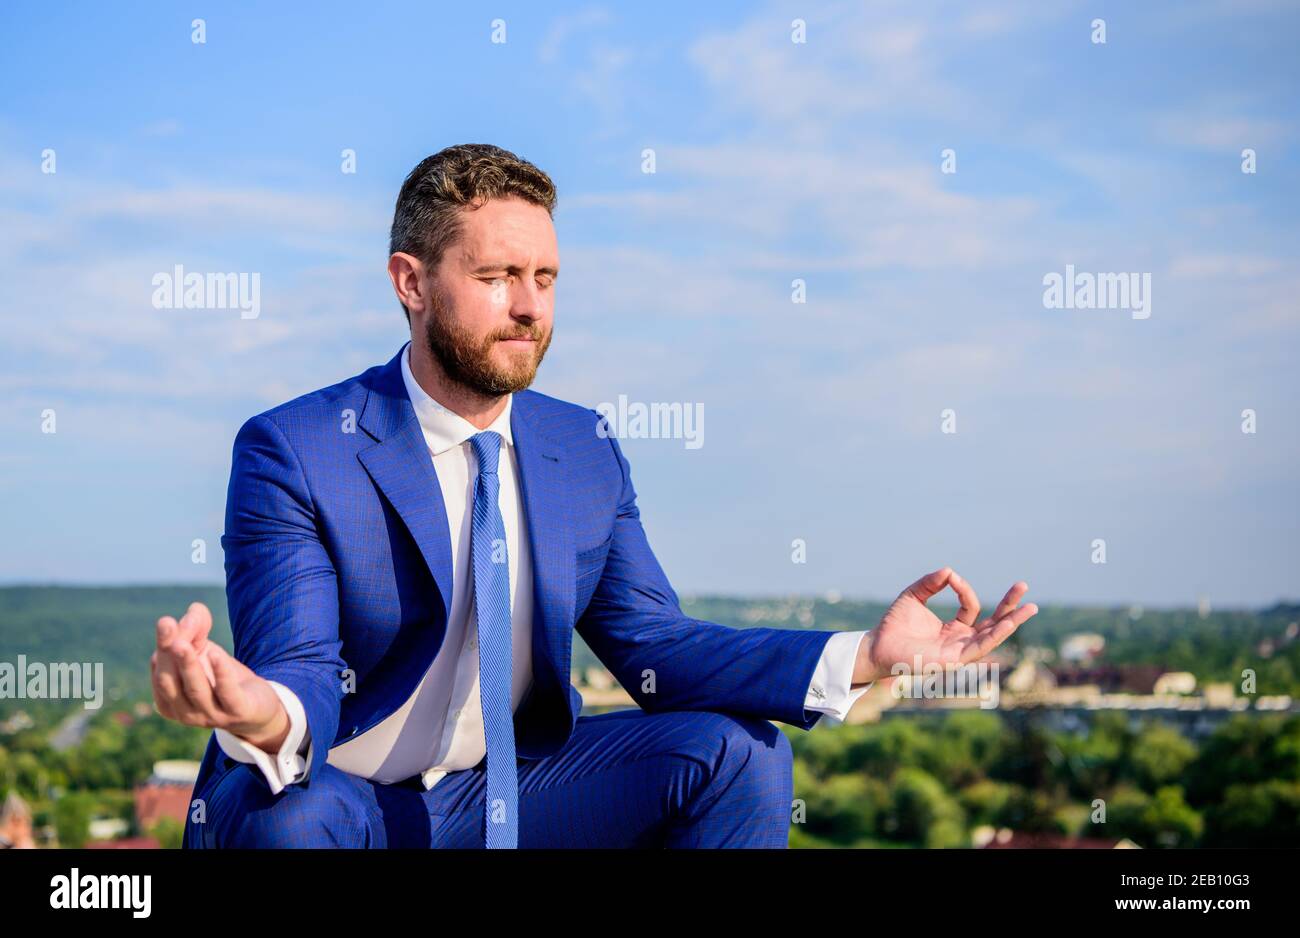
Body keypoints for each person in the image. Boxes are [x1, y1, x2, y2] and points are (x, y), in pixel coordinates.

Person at [151, 143, 1038, 849]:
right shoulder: (296, 449)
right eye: (497, 276)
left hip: (507, 795)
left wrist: (866, 655)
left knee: (739, 754)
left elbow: (659, 647)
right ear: (411, 283)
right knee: (289, 822)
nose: (530, 306)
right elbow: (299, 667)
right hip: (342, 798)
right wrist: (260, 714)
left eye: (545, 279)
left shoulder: (583, 446)